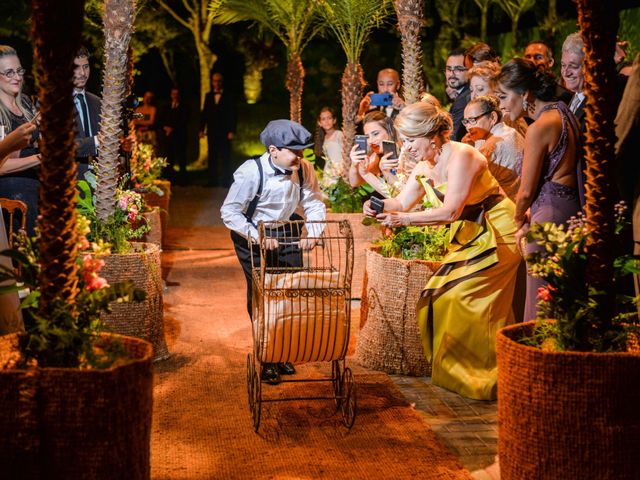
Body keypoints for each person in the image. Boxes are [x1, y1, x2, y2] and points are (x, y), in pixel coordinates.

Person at [363, 101, 519, 400]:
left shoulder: (463, 156)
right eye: (403, 140)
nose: (405, 148)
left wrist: (403, 219)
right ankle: (460, 374)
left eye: (410, 140)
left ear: (431, 136)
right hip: (472, 234)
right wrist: (378, 205)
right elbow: (400, 204)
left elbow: (449, 212)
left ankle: (491, 378)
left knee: (464, 297)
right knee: (436, 296)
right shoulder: (424, 166)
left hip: (499, 232)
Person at [220, 119, 325, 384]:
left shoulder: (303, 169)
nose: (299, 156)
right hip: (252, 234)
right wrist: (257, 238)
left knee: (289, 292)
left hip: (287, 231)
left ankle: (282, 351)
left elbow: (313, 203)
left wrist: (313, 234)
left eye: (302, 151)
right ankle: (267, 357)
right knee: (263, 295)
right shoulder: (251, 172)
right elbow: (229, 212)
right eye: (294, 151)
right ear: (273, 150)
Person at [496, 58, 582, 323]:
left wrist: (518, 219)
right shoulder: (565, 114)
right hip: (569, 214)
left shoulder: (539, 128)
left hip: (547, 219)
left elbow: (525, 192)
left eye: (503, 96)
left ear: (524, 94)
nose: (500, 104)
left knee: (543, 303)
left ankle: (541, 362)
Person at [0, 45, 41, 235]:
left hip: (36, 188)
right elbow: (2, 165)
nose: (17, 77)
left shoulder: (24, 101)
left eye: (18, 71)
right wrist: (40, 158)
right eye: (9, 73)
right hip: (13, 199)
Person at [462, 95, 524, 201]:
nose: (468, 127)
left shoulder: (491, 146)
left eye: (472, 120)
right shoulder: (510, 131)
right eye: (466, 122)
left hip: (509, 206)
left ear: (492, 117)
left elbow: (468, 183)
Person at [348, 110, 411, 195]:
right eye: (367, 137)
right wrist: (354, 165)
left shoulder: (407, 154)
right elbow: (354, 183)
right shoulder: (376, 157)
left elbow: (405, 195)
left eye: (375, 134)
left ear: (390, 131)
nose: (371, 141)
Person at [200, 72, 236, 187]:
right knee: (212, 156)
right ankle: (212, 181)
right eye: (215, 81)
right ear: (212, 82)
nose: (217, 83)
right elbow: (205, 113)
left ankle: (226, 181)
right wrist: (201, 129)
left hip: (224, 132)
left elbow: (232, 114)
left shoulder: (228, 96)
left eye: (219, 81)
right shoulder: (208, 96)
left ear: (222, 82)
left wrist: (231, 131)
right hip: (212, 131)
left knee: (225, 156)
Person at [72, 46, 101, 179]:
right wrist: (98, 140)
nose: (83, 73)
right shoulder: (53, 104)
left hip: (101, 183)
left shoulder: (97, 102)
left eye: (86, 67)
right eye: (76, 67)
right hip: (69, 183)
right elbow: (63, 147)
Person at [524, 40, 573, 105]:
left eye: (538, 57)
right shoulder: (518, 91)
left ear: (550, 62)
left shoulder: (562, 95)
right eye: (528, 57)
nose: (532, 61)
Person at [160, 86, 189, 184]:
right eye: (173, 94)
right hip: (168, 136)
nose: (175, 96)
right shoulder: (166, 106)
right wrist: (166, 127)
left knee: (181, 157)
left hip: (179, 135)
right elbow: (161, 119)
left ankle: (182, 180)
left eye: (177, 94)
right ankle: (170, 178)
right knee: (169, 157)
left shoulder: (184, 106)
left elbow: (184, 120)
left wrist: (173, 128)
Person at [314, 106, 344, 186]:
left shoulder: (339, 134)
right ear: (319, 123)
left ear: (334, 120)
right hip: (328, 173)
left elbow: (346, 154)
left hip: (340, 171)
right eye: (323, 119)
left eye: (329, 118)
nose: (326, 121)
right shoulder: (324, 138)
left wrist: (342, 170)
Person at [445, 48, 471, 141]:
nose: (452, 74)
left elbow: (453, 136)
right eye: (449, 69)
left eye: (458, 69)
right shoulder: (461, 95)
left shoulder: (464, 99)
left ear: (469, 71)